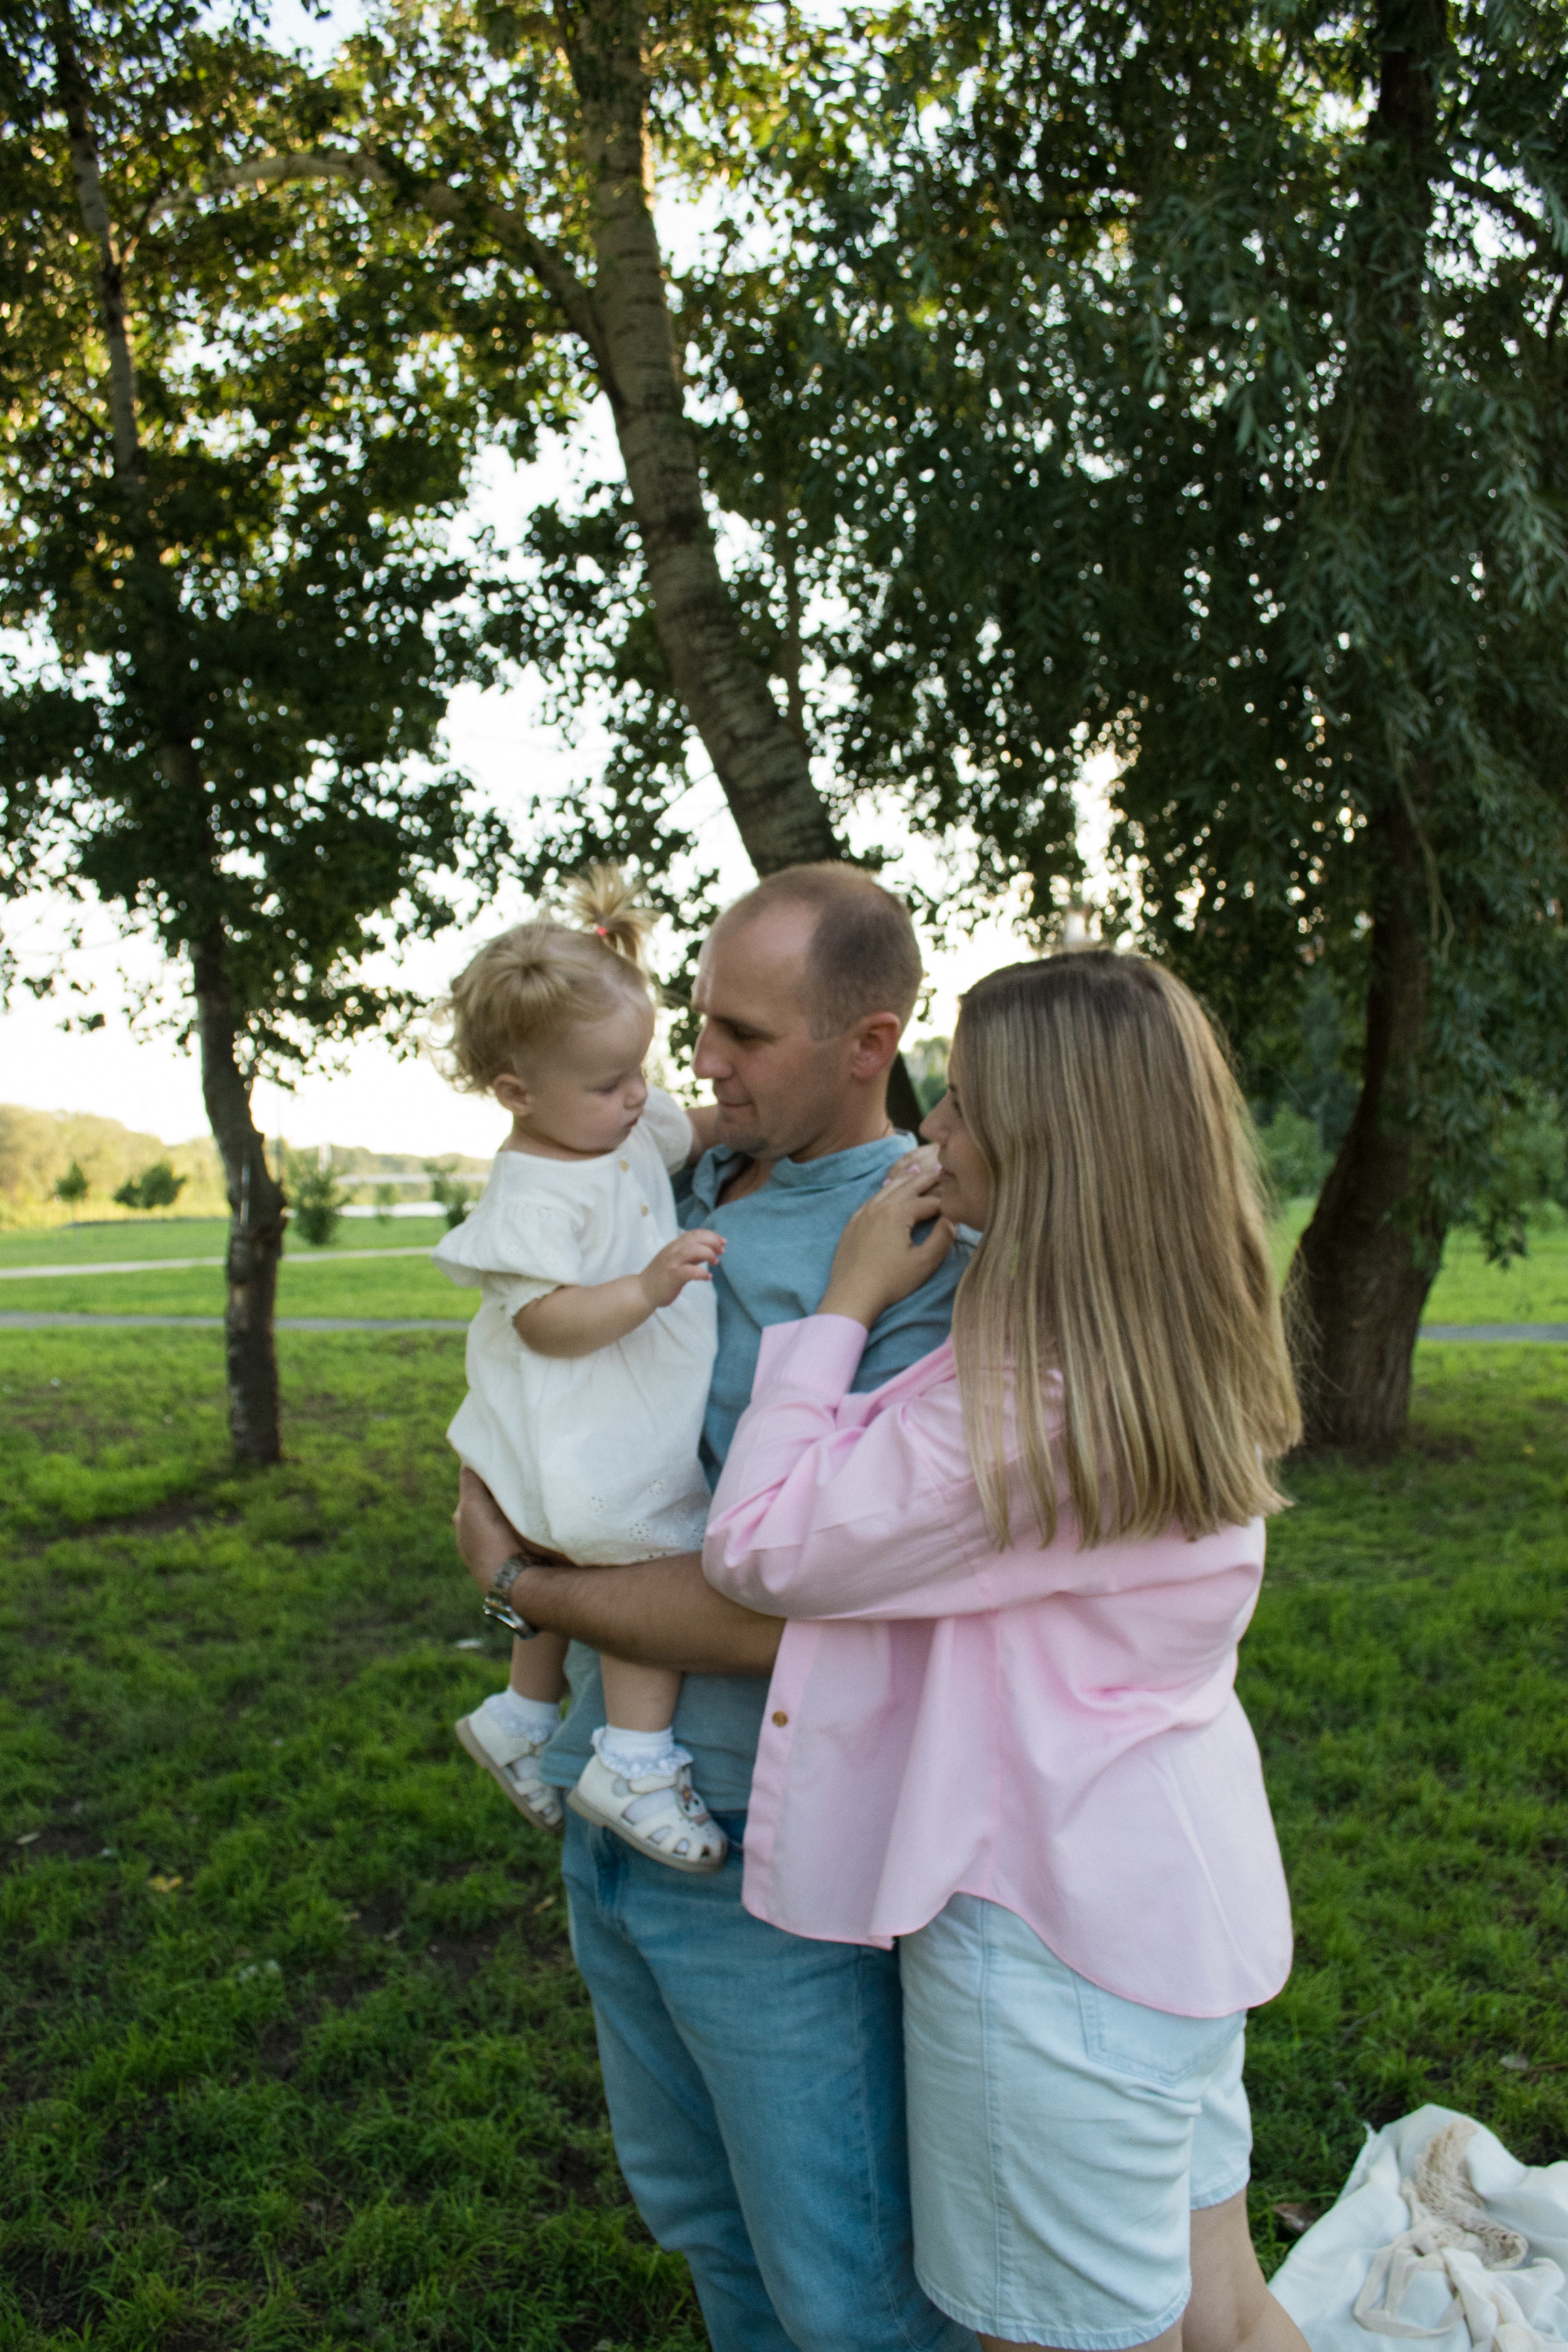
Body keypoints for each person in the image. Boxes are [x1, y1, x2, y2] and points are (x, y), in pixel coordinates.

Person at [704, 949, 1310, 2352]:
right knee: (1222, 2302)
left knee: (1059, 2335)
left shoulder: (1024, 1416)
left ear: (1055, 1148)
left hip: (1043, 1944)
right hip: (1177, 1898)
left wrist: (842, 1305)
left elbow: (765, 1548)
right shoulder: (1164, 1351)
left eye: (966, 1108)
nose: (929, 1133)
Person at [452, 864, 975, 2352]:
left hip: (767, 1847)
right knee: (704, 2226)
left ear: (870, 1041)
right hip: (608, 1809)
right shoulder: (677, 1169)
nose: (704, 1065)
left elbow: (828, 1609)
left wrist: (519, 1585)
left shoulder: (913, 1256)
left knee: (844, 2274)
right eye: (697, 1023)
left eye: (744, 1035)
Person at [435, 864, 729, 1870]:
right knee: (645, 1556)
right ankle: (634, 1764)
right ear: (517, 1093)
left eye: (639, 1069)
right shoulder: (530, 1196)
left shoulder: (619, 1111)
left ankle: (522, 1716)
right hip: (584, 1393)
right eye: (610, 1083)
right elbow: (550, 1323)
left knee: (567, 1554)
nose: (637, 1095)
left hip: (615, 1389)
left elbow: (692, 1131)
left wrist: (752, 1120)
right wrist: (648, 1287)